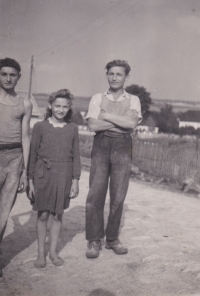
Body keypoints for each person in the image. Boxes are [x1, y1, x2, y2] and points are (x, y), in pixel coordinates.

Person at [85, 60, 142, 259]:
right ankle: (93, 239)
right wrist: (121, 123)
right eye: (111, 73)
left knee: (118, 195)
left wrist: (106, 116)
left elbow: (132, 124)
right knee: (95, 194)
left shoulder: (133, 99)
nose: (115, 77)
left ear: (126, 77)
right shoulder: (97, 98)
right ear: (107, 75)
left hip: (123, 147)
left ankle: (112, 239)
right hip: (101, 146)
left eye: (119, 74)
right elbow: (92, 126)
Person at [28, 89, 81, 268]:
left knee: (58, 215)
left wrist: (75, 180)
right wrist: (30, 181)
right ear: (50, 106)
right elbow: (33, 155)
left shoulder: (73, 129)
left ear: (69, 108)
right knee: (42, 214)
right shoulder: (40, 127)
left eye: (64, 106)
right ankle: (40, 254)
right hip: (43, 175)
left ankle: (52, 252)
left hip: (64, 176)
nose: (60, 109)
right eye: (57, 106)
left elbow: (76, 156)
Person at [0, 58, 32, 280]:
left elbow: (26, 138)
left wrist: (25, 172)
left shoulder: (25, 103)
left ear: (19, 76)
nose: (8, 78)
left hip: (14, 159)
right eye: (4, 74)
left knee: (3, 212)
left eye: (13, 74)